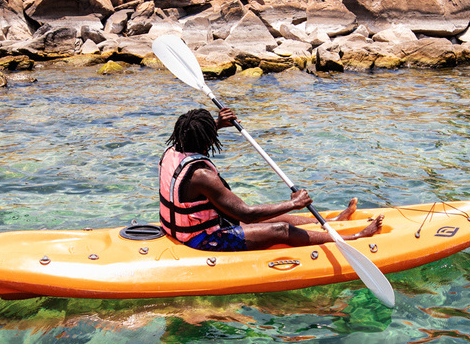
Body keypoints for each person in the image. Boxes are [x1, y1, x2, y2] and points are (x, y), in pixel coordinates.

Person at [158, 106, 383, 252]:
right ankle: (353, 238)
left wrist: (216, 124)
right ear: (206, 139)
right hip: (202, 241)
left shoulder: (172, 151)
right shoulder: (202, 176)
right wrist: (295, 203)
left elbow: (195, 136)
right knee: (281, 229)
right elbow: (246, 214)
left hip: (183, 229)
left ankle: (332, 222)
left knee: (272, 215)